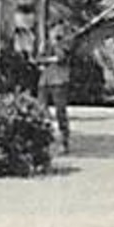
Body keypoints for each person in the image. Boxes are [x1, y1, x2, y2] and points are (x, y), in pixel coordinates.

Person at [36, 26, 73, 154]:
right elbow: (38, 59)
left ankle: (64, 141)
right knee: (41, 109)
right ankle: (44, 139)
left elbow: (61, 58)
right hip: (45, 81)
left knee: (60, 111)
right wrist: (44, 59)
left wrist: (47, 58)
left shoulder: (65, 45)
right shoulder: (44, 45)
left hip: (59, 81)